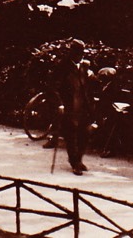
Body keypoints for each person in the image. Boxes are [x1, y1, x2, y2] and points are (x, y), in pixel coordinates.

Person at [51, 39, 93, 175]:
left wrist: (93, 77)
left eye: (82, 53)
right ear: (72, 53)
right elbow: (53, 88)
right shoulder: (62, 66)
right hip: (69, 107)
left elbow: (90, 86)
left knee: (85, 133)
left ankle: (79, 159)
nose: (81, 56)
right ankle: (75, 163)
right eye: (79, 53)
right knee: (72, 136)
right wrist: (59, 103)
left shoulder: (85, 66)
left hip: (84, 106)